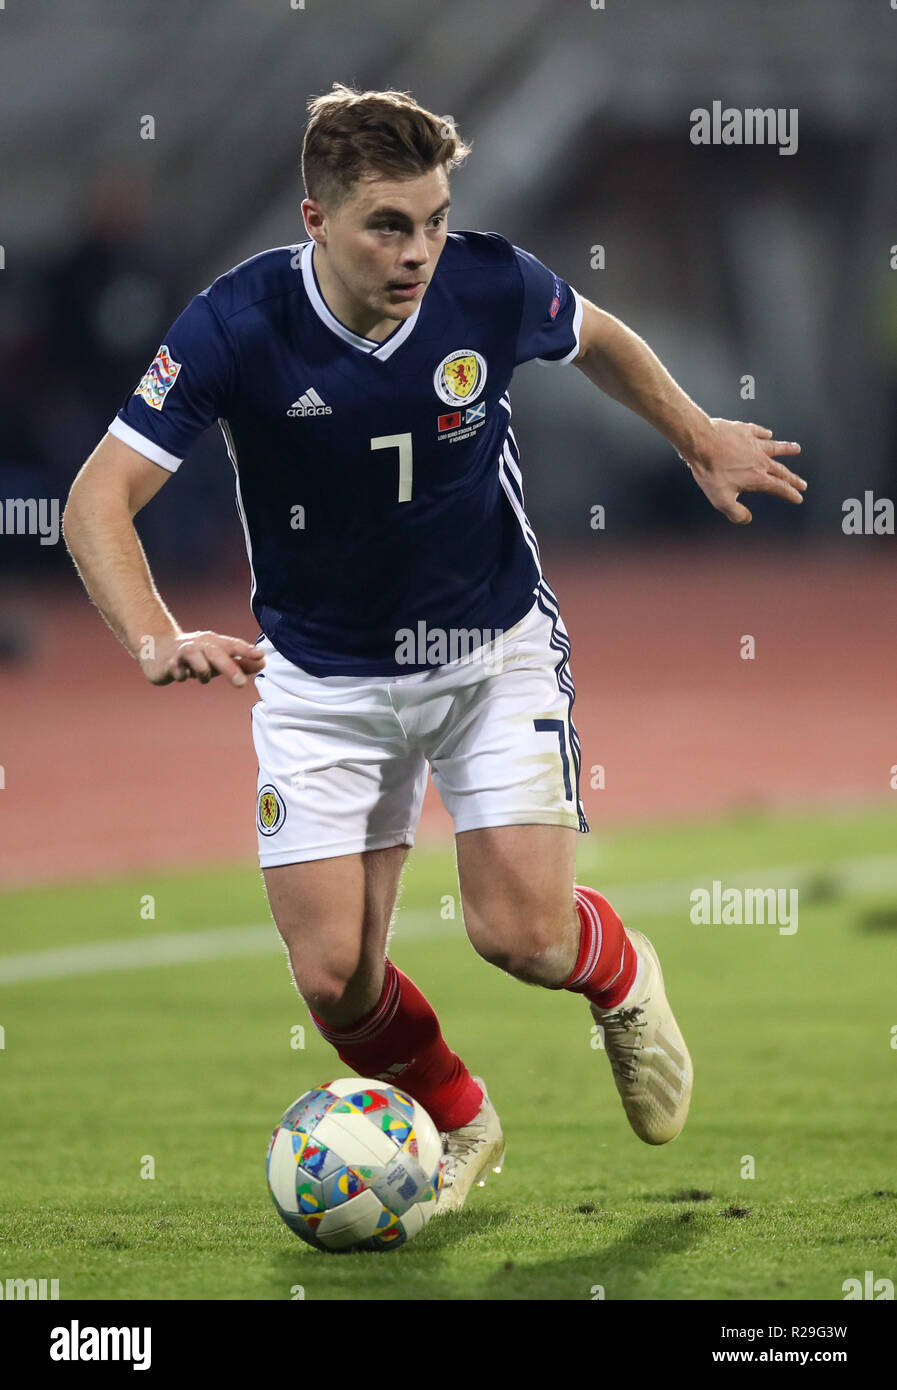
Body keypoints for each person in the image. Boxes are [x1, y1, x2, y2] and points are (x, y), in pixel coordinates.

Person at [63, 83, 806, 1217]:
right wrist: (153, 637)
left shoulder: (489, 284)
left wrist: (698, 433)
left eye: (434, 220)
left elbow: (597, 337)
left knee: (519, 935)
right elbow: (96, 499)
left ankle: (620, 974)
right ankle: (457, 1116)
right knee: (335, 980)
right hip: (320, 679)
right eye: (388, 225)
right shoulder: (236, 322)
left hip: (488, 650)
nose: (419, 251)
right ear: (316, 219)